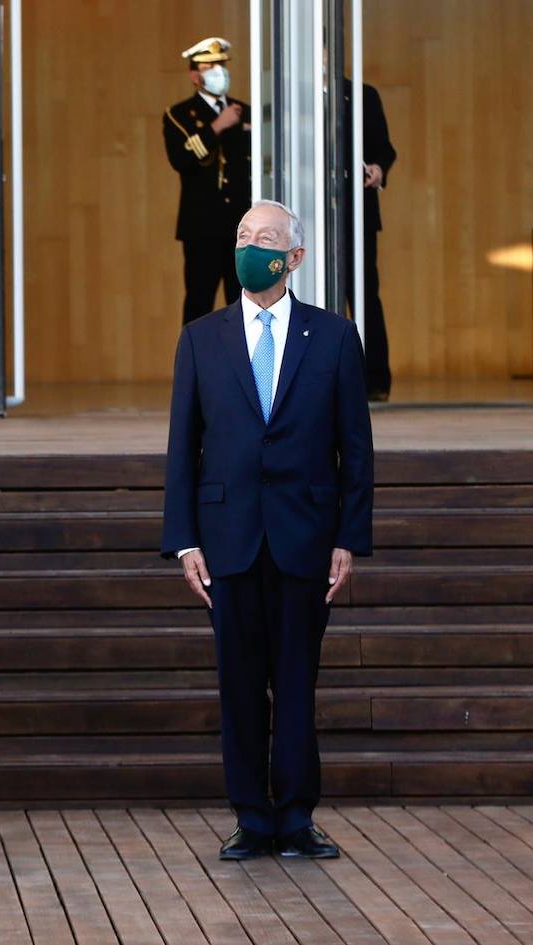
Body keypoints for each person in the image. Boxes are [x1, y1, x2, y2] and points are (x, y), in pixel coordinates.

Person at [161, 200, 374, 860]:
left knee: (297, 679)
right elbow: (181, 448)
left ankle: (296, 815)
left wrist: (349, 536)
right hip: (227, 538)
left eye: (266, 239)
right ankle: (251, 815)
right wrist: (184, 539)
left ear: (295, 258)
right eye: (243, 236)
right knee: (240, 683)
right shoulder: (201, 338)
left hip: (306, 537)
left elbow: (356, 450)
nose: (251, 247)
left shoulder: (334, 337)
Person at [164, 36, 252, 325]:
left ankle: (240, 368)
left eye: (221, 65)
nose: (218, 72)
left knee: (242, 304)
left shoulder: (244, 110)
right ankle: (195, 369)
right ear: (194, 75)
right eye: (210, 66)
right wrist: (218, 126)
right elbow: (183, 158)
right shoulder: (179, 114)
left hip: (241, 225)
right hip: (202, 226)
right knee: (199, 302)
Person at [342, 80, 398, 401]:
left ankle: (375, 379)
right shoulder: (293, 92)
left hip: (356, 213)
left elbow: (384, 148)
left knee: (364, 296)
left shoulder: (363, 95)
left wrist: (378, 168)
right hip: (306, 216)